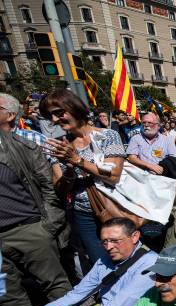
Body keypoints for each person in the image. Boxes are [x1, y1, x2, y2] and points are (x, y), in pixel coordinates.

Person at [0, 94, 71, 306]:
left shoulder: (26, 144)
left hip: (30, 230)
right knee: (9, 297)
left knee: (55, 286)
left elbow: (48, 187)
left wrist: (47, 228)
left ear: (10, 115)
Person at [41, 89, 127, 266]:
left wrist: (78, 160)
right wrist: (70, 170)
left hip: (114, 207)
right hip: (83, 215)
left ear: (73, 107)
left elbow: (114, 175)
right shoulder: (59, 145)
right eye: (51, 116)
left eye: (59, 113)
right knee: (100, 263)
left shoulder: (107, 135)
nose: (55, 120)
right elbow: (60, 189)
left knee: (125, 257)